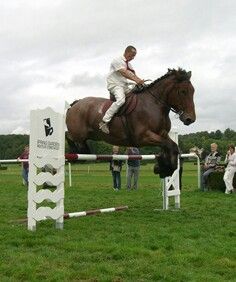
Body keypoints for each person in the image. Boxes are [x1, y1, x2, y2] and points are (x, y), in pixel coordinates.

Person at [99, 45, 144, 134]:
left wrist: (141, 82)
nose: (133, 58)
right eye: (132, 55)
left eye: (134, 56)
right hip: (115, 85)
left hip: (124, 85)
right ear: (126, 52)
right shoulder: (117, 60)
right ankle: (104, 121)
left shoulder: (129, 65)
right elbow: (124, 73)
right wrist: (136, 80)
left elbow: (133, 75)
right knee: (121, 100)